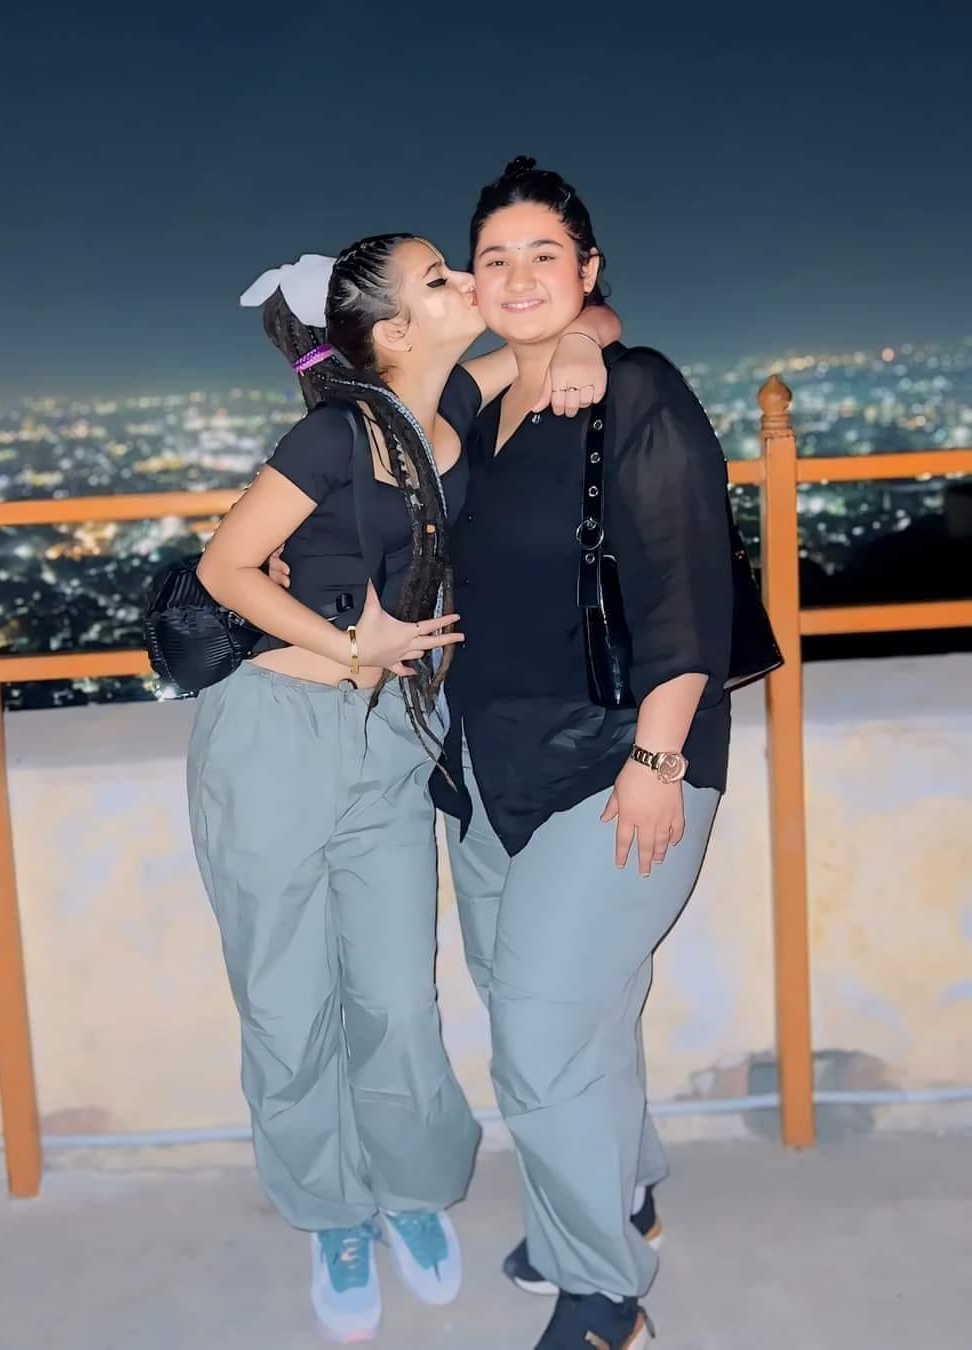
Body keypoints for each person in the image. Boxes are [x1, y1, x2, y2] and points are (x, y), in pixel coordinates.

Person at [187, 234, 619, 1343]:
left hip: (389, 741)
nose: (469, 284)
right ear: (393, 330)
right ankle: (333, 1214)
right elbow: (225, 568)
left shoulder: (450, 410)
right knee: (288, 1006)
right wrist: (350, 642)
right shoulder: (333, 432)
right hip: (275, 738)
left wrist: (576, 342)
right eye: (441, 280)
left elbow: (590, 319)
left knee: (394, 996)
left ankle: (411, 1189)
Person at [434, 159, 735, 1350]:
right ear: (469, 281)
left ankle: (603, 1292)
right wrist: (565, 336)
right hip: (488, 762)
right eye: (494, 259)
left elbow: (688, 591)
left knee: (542, 1032)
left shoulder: (636, 390)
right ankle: (623, 1191)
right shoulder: (475, 407)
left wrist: (658, 763)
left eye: (545, 256)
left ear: (589, 267)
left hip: (622, 754)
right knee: (570, 1010)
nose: (519, 277)